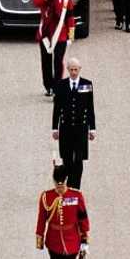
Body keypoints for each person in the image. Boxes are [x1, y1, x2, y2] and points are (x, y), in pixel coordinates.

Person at [35, 165, 90, 259]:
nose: (59, 185)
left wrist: (84, 241)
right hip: (53, 240)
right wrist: (39, 236)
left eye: (61, 182)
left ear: (65, 180)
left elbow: (83, 219)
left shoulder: (76, 196)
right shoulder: (47, 197)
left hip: (72, 240)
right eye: (57, 182)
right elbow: (42, 218)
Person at [51, 57, 96, 189]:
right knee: (67, 159)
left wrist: (92, 128)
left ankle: (75, 187)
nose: (74, 72)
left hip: (81, 128)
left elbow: (90, 107)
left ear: (80, 69)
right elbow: (57, 108)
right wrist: (54, 128)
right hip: (65, 128)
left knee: (79, 160)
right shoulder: (61, 85)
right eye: (71, 70)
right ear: (68, 70)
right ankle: (68, 186)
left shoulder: (86, 84)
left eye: (76, 69)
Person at [34, 0, 76, 96]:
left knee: (58, 61)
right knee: (46, 61)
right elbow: (36, 2)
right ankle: (48, 86)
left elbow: (70, 18)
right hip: (46, 34)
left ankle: (57, 87)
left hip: (60, 35)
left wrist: (70, 36)